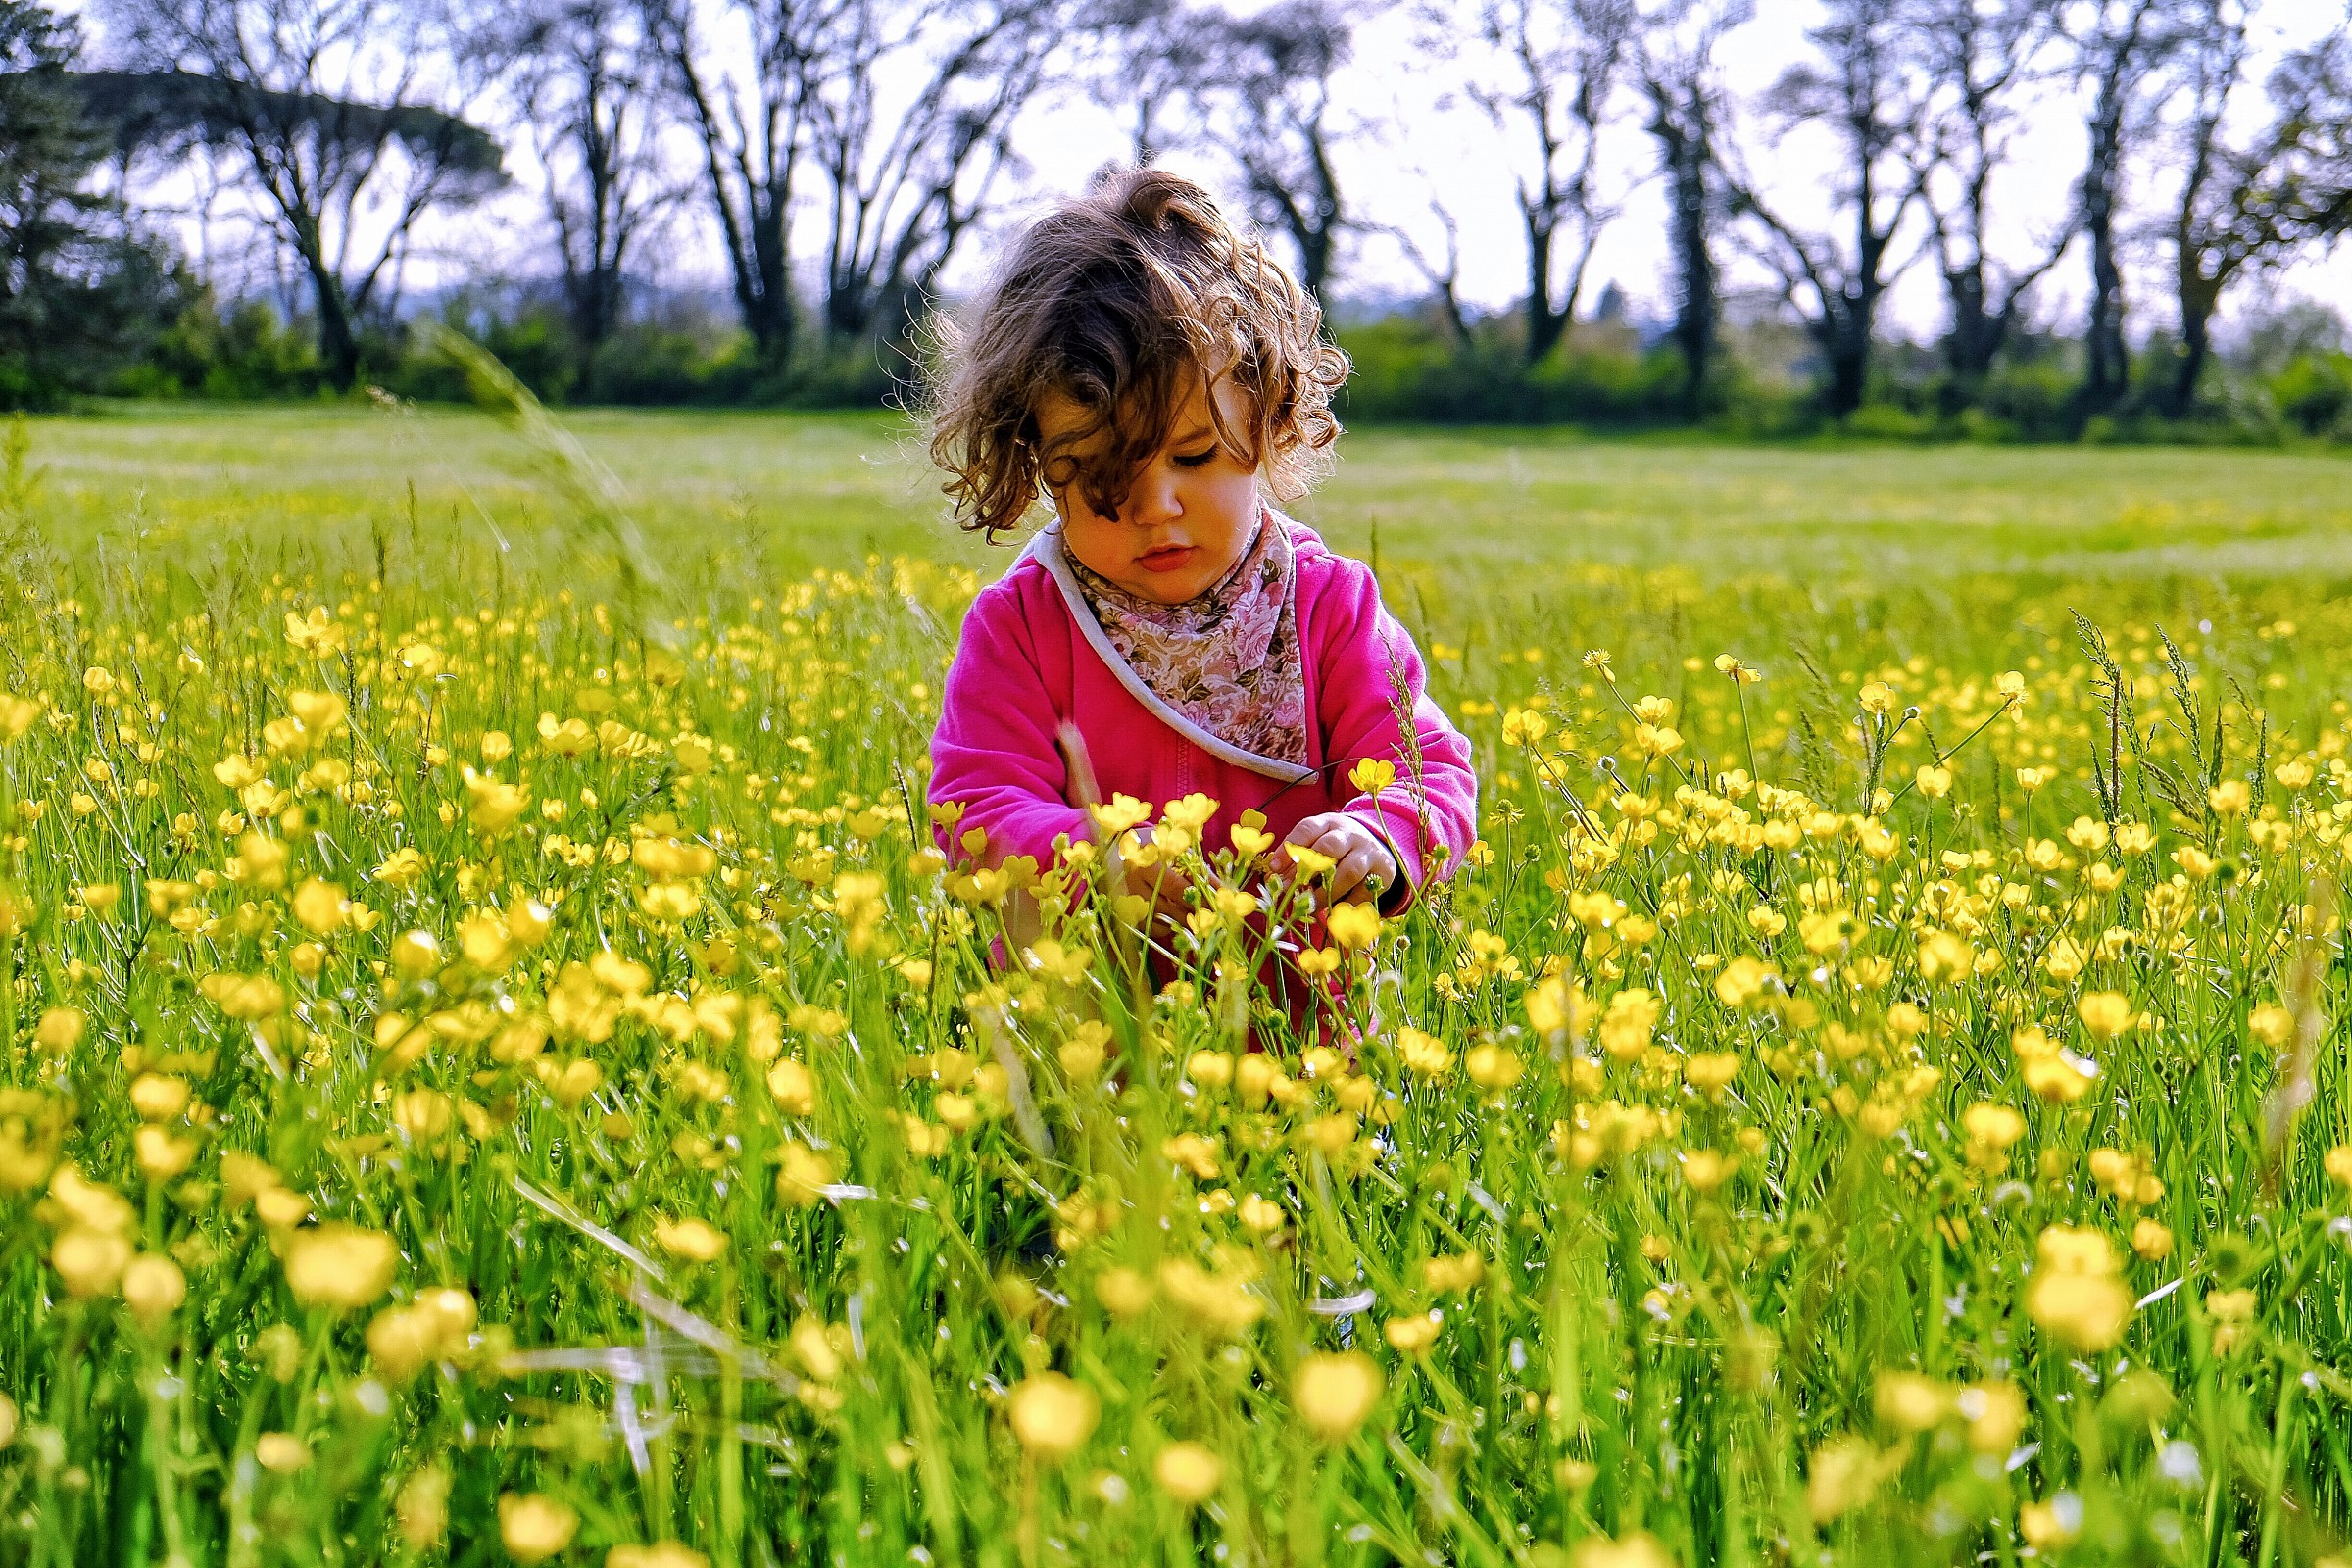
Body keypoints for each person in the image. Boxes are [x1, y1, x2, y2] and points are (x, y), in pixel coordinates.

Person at [924, 166, 1478, 963]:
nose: (1154, 507)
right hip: (1081, 1037)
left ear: (1270, 416)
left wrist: (1377, 834)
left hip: (1298, 1037)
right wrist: (1096, 852)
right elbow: (974, 810)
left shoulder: (1327, 608)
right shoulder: (1023, 629)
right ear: (1037, 461)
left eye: (1193, 455)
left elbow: (1425, 771)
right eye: (1099, 476)